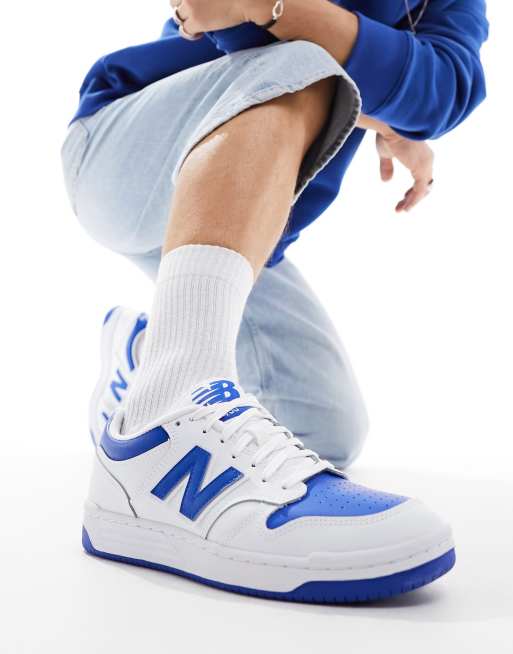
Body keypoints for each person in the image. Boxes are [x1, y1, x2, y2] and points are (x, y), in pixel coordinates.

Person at [62, 0, 488, 603]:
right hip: (126, 156)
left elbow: (446, 90)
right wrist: (381, 103)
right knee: (308, 68)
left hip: (240, 231)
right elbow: (228, 26)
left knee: (327, 426)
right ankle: (164, 411)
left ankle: (147, 355)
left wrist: (274, 7)